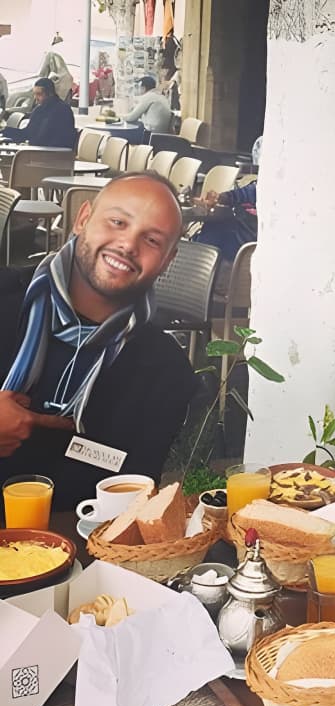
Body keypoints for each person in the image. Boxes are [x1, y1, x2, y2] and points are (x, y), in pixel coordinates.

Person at [0, 171, 197, 511]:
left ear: (167, 260)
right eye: (118, 222)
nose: (128, 245)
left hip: (75, 538)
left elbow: (133, 495)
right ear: (83, 219)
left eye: (152, 240)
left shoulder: (166, 370)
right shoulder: (5, 297)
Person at [1, 78, 75, 149]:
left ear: (50, 94)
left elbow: (43, 137)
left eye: (39, 94)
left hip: (52, 153)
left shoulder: (62, 110)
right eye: (35, 94)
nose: (35, 97)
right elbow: (27, 133)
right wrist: (3, 129)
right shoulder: (40, 109)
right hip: (39, 150)